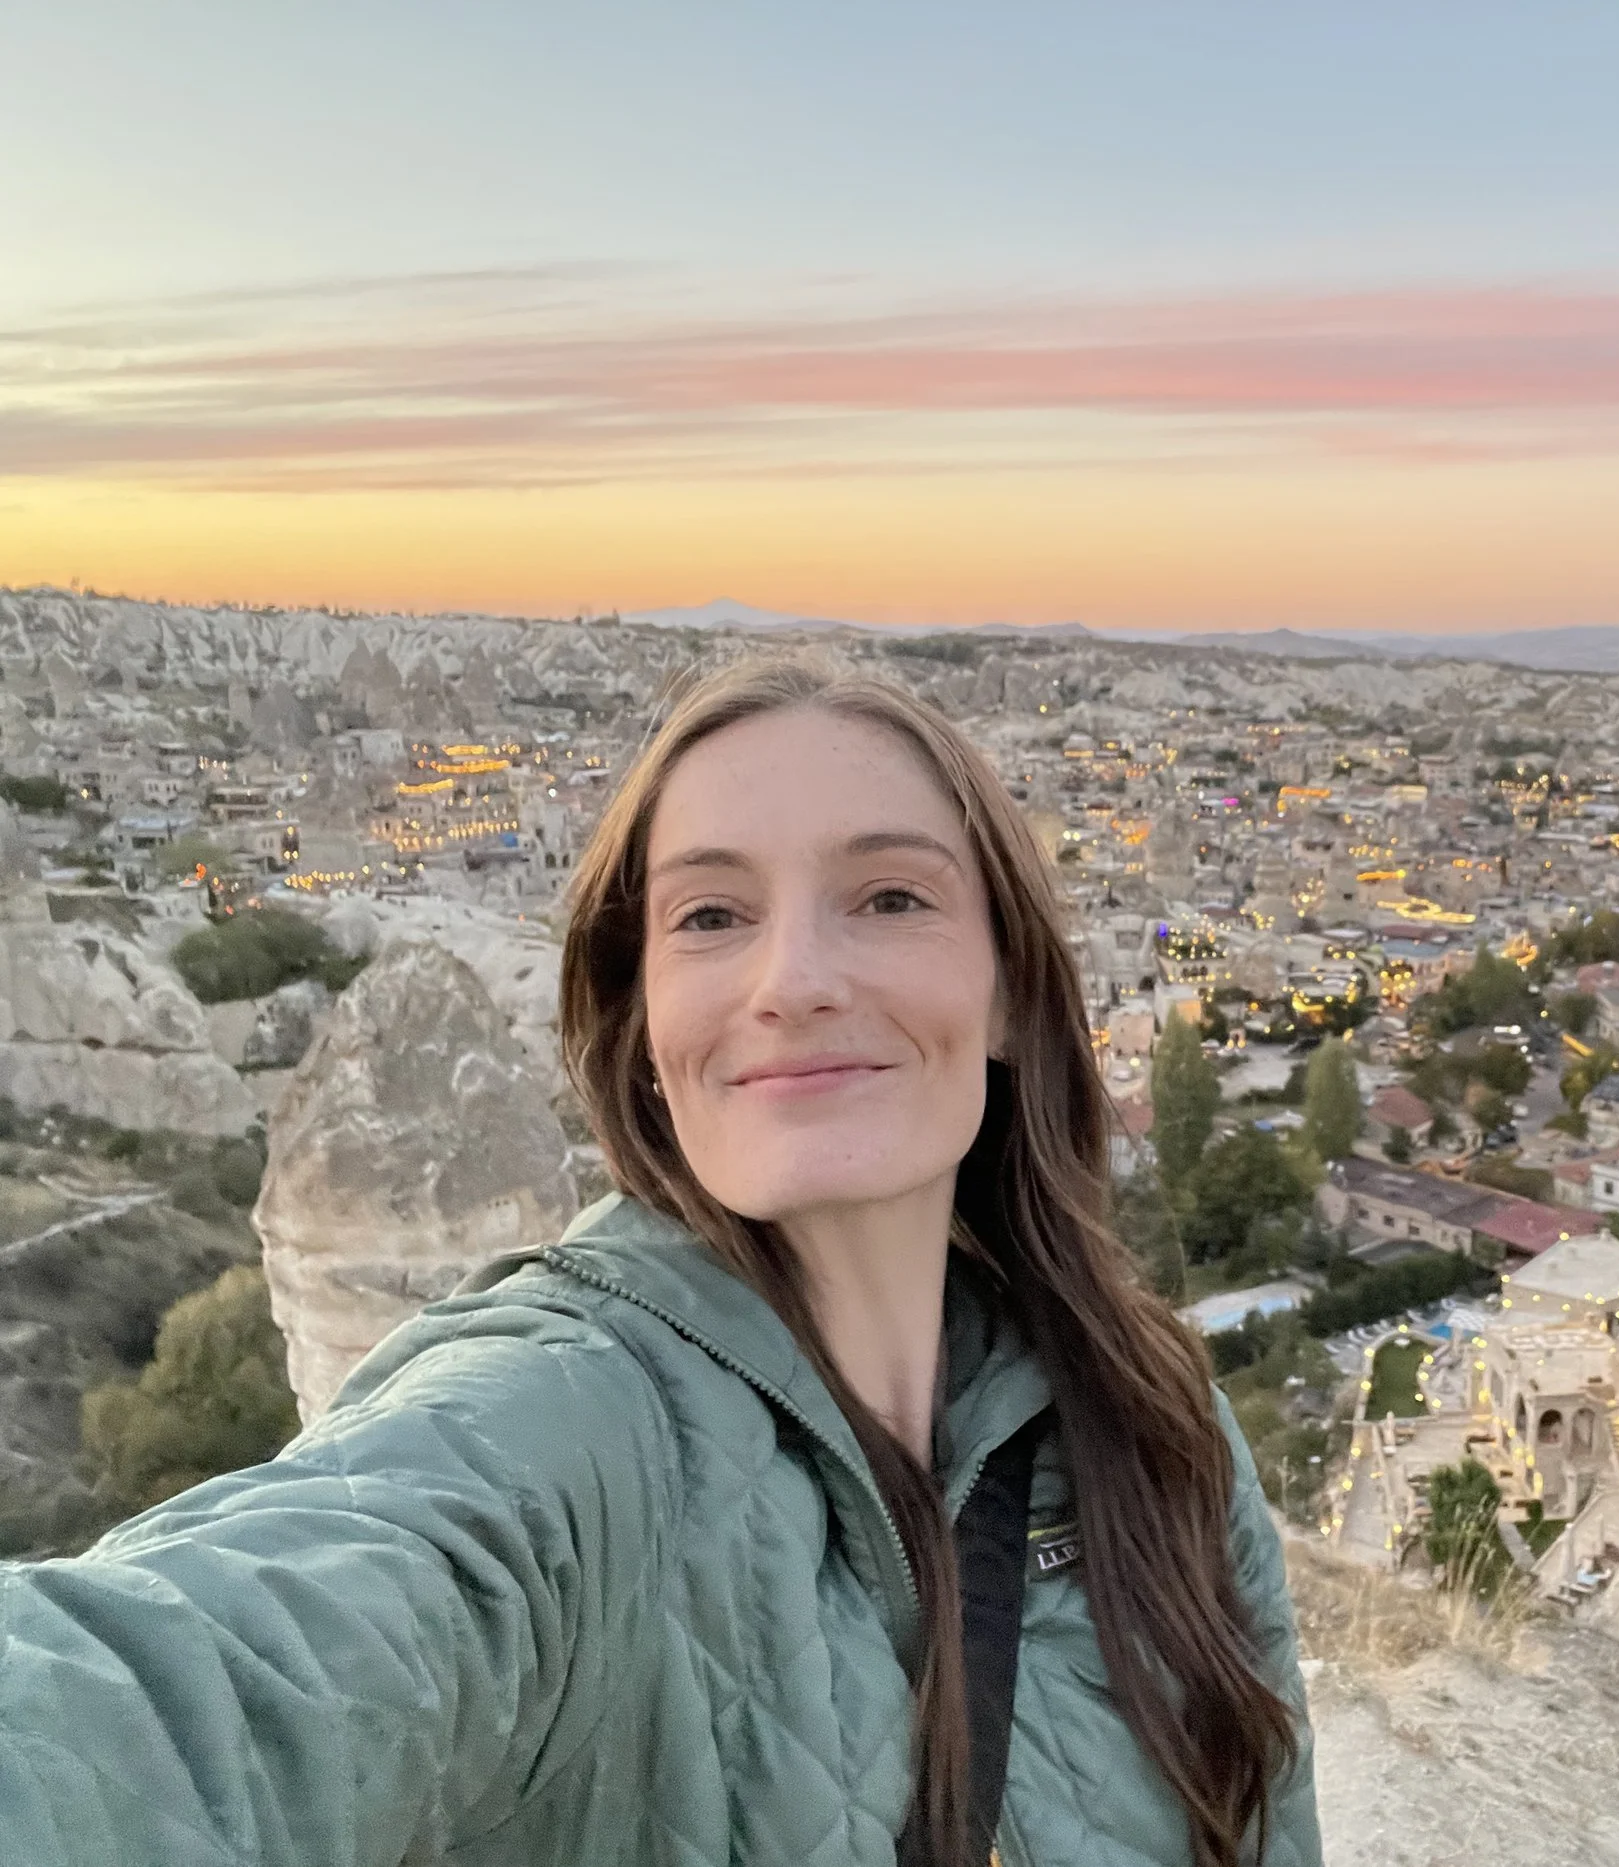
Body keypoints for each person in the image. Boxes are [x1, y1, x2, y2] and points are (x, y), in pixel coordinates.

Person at [0, 657, 1320, 1867]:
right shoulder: (566, 1422)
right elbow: (201, 1676)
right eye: (709, 915)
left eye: (891, 895)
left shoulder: (1158, 1429)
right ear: (644, 1027)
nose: (792, 977)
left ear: (1011, 992)